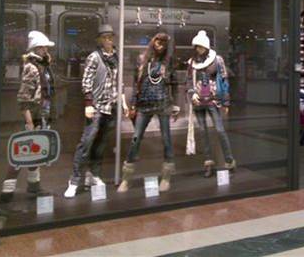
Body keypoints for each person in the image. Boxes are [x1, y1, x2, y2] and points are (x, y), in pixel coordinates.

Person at [118, 33, 180, 193]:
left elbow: (174, 84)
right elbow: (136, 84)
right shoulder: (142, 60)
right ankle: (126, 177)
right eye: (158, 41)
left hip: (163, 104)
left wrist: (176, 105)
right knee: (135, 139)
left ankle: (166, 176)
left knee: (166, 139)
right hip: (143, 105)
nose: (160, 44)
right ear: (153, 42)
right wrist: (133, 105)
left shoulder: (168, 62)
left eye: (164, 42)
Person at [0, 31, 56, 203]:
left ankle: (33, 186)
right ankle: (6, 193)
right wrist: (29, 121)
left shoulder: (43, 65)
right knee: (21, 153)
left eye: (46, 47)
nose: (46, 50)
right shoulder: (32, 67)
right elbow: (24, 98)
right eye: (43, 47)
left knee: (35, 151)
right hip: (33, 116)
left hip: (41, 114)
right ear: (36, 48)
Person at [64, 24, 118, 198]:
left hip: (110, 106)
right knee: (86, 143)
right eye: (105, 37)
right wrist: (88, 103)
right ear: (100, 40)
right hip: (96, 106)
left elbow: (117, 82)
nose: (108, 40)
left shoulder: (116, 57)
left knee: (101, 144)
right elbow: (86, 81)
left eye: (110, 37)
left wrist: (121, 102)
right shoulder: (94, 57)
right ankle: (74, 180)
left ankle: (93, 174)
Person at [187, 30, 236, 178]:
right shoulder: (192, 62)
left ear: (207, 46)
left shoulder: (217, 60)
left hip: (213, 100)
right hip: (198, 101)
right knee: (203, 133)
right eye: (197, 46)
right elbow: (188, 81)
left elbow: (224, 80)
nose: (199, 49)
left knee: (220, 130)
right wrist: (192, 93)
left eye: (201, 46)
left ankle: (229, 161)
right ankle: (208, 163)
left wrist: (226, 102)